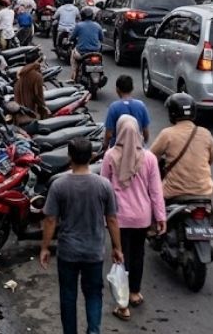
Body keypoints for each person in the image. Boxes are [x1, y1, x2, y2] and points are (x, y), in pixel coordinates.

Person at [39, 139, 124, 334]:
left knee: (68, 296)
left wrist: (44, 248)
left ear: (70, 157)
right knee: (94, 295)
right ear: (91, 157)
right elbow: (112, 219)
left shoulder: (59, 185)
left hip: (68, 252)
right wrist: (117, 248)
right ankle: (93, 331)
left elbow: (50, 220)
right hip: (94, 252)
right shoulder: (103, 185)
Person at [99, 115, 166, 319]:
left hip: (118, 218)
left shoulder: (110, 156)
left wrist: (100, 216)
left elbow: (103, 187)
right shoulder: (149, 158)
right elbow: (156, 191)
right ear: (138, 132)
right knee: (138, 255)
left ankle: (122, 304)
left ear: (119, 131)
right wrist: (161, 216)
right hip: (142, 217)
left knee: (120, 257)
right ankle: (135, 293)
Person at [149, 93, 213, 200]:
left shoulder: (167, 134)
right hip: (204, 191)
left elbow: (150, 158)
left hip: (173, 192)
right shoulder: (205, 133)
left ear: (172, 113)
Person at [103, 75, 150, 146]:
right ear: (132, 88)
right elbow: (146, 132)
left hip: (117, 148)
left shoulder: (114, 107)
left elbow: (109, 134)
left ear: (117, 89)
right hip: (137, 147)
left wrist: (105, 146)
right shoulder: (141, 105)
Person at [70, 7, 103, 80]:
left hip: (82, 53)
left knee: (73, 55)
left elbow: (72, 37)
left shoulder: (79, 25)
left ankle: (74, 76)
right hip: (96, 52)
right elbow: (101, 38)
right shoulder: (97, 25)